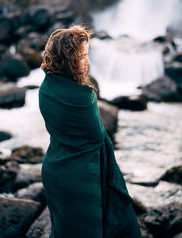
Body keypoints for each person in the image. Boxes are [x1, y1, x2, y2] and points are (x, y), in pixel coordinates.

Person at [38, 25, 142, 238]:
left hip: (55, 170)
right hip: (80, 178)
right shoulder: (83, 97)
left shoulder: (46, 88)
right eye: (83, 56)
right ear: (69, 59)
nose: (88, 62)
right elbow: (96, 135)